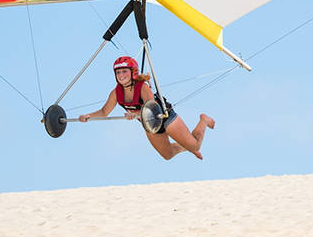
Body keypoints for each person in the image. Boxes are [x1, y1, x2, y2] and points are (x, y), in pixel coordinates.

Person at [80, 56, 215, 160]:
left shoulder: (142, 86)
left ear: (133, 72)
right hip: (150, 125)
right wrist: (88, 116)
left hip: (164, 117)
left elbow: (152, 106)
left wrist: (135, 113)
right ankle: (187, 146)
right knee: (167, 155)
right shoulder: (116, 92)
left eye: (124, 71)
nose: (121, 75)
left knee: (196, 145)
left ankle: (203, 121)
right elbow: (104, 112)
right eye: (118, 72)